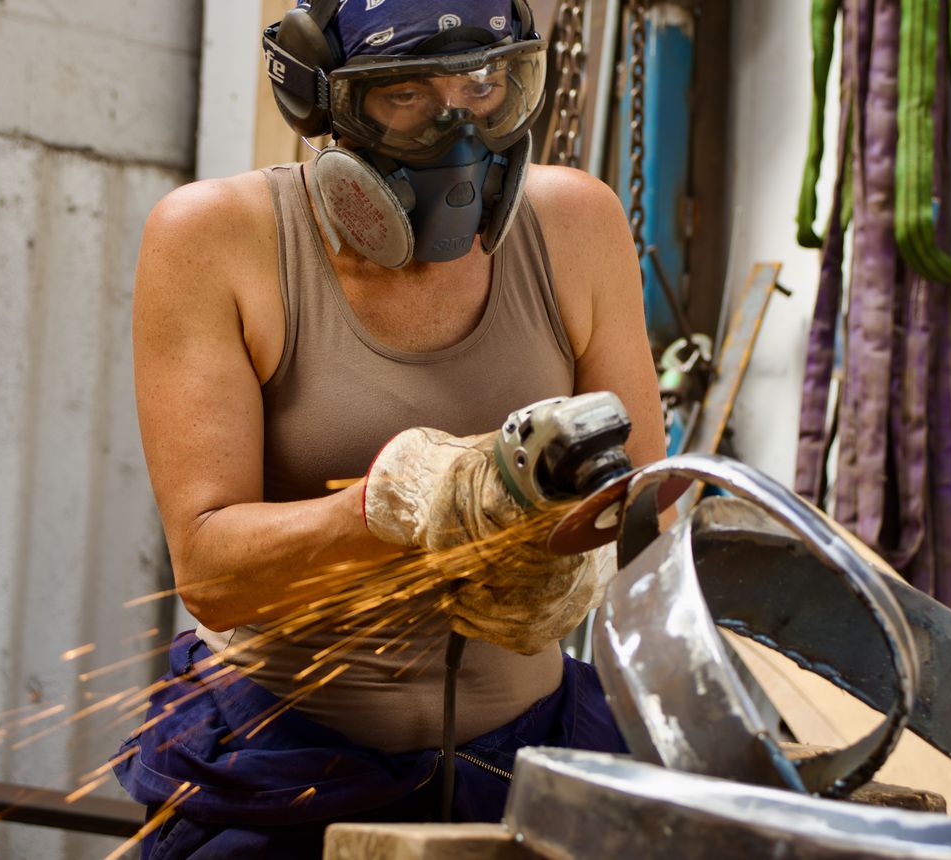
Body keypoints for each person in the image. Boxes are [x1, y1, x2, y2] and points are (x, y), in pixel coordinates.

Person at [113, 0, 665, 856]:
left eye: (486, 84)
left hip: (529, 759)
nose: (460, 128)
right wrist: (398, 507)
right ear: (321, 98)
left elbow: (639, 510)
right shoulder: (216, 240)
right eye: (405, 94)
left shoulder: (575, 226)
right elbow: (212, 572)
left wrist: (557, 561)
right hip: (286, 767)